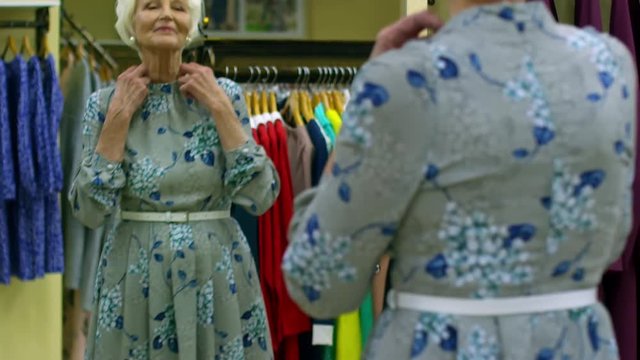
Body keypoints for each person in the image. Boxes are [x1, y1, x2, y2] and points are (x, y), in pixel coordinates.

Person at [282, 0, 638, 359]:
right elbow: (612, 234)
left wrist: (362, 115)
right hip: (574, 343)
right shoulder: (609, 65)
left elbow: (319, 280)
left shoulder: (405, 79)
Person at [68, 0, 279, 358]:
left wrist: (220, 109)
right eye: (152, 5)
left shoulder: (224, 95)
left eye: (179, 7)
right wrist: (119, 117)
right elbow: (88, 210)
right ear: (131, 23)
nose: (167, 14)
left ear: (190, 24)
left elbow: (262, 195)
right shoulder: (104, 103)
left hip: (215, 275)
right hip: (135, 273)